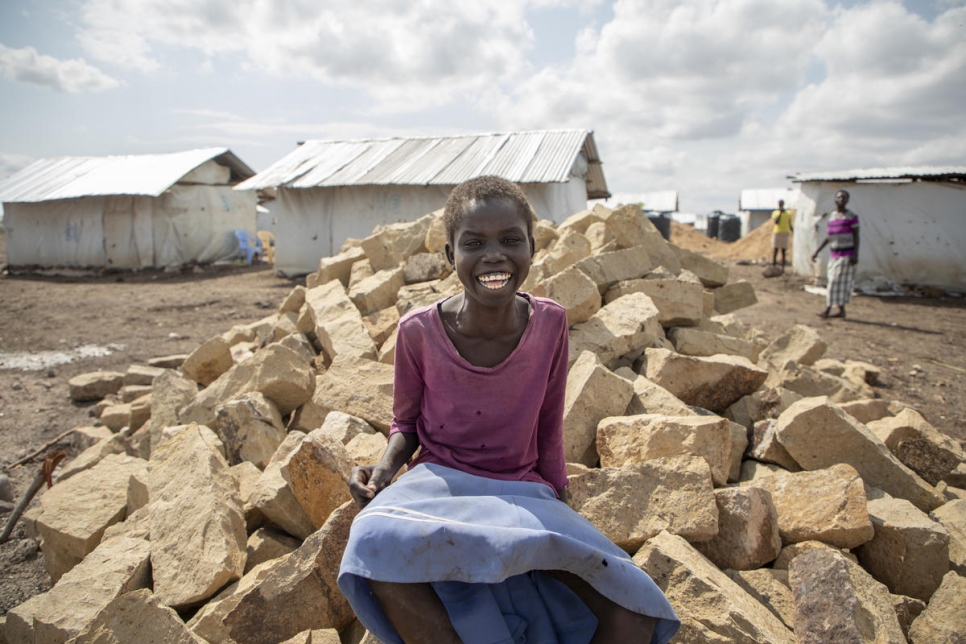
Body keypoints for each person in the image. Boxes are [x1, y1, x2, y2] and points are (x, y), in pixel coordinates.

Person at [337, 175, 680, 644]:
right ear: (449, 256)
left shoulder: (551, 322)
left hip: (520, 489)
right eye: (473, 243)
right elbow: (407, 424)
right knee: (370, 539)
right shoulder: (418, 331)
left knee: (633, 608)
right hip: (440, 483)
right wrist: (381, 474)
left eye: (510, 240)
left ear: (532, 248)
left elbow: (547, 426)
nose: (493, 255)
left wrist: (558, 498)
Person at [811, 189, 859, 319]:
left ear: (847, 200)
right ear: (835, 199)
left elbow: (856, 236)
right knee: (837, 282)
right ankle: (841, 311)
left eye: (843, 198)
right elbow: (828, 236)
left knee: (834, 282)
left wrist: (855, 254)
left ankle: (827, 310)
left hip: (846, 254)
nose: (841, 200)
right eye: (838, 197)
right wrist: (816, 251)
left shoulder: (851, 217)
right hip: (834, 254)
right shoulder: (832, 216)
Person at [771, 199, 793, 270]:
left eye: (781, 204)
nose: (780, 205)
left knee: (783, 250)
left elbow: (789, 223)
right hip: (777, 232)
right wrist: (780, 213)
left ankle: (783, 267)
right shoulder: (775, 213)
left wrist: (793, 231)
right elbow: (776, 222)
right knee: (775, 249)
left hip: (785, 232)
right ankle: (773, 265)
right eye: (779, 204)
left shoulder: (788, 213)